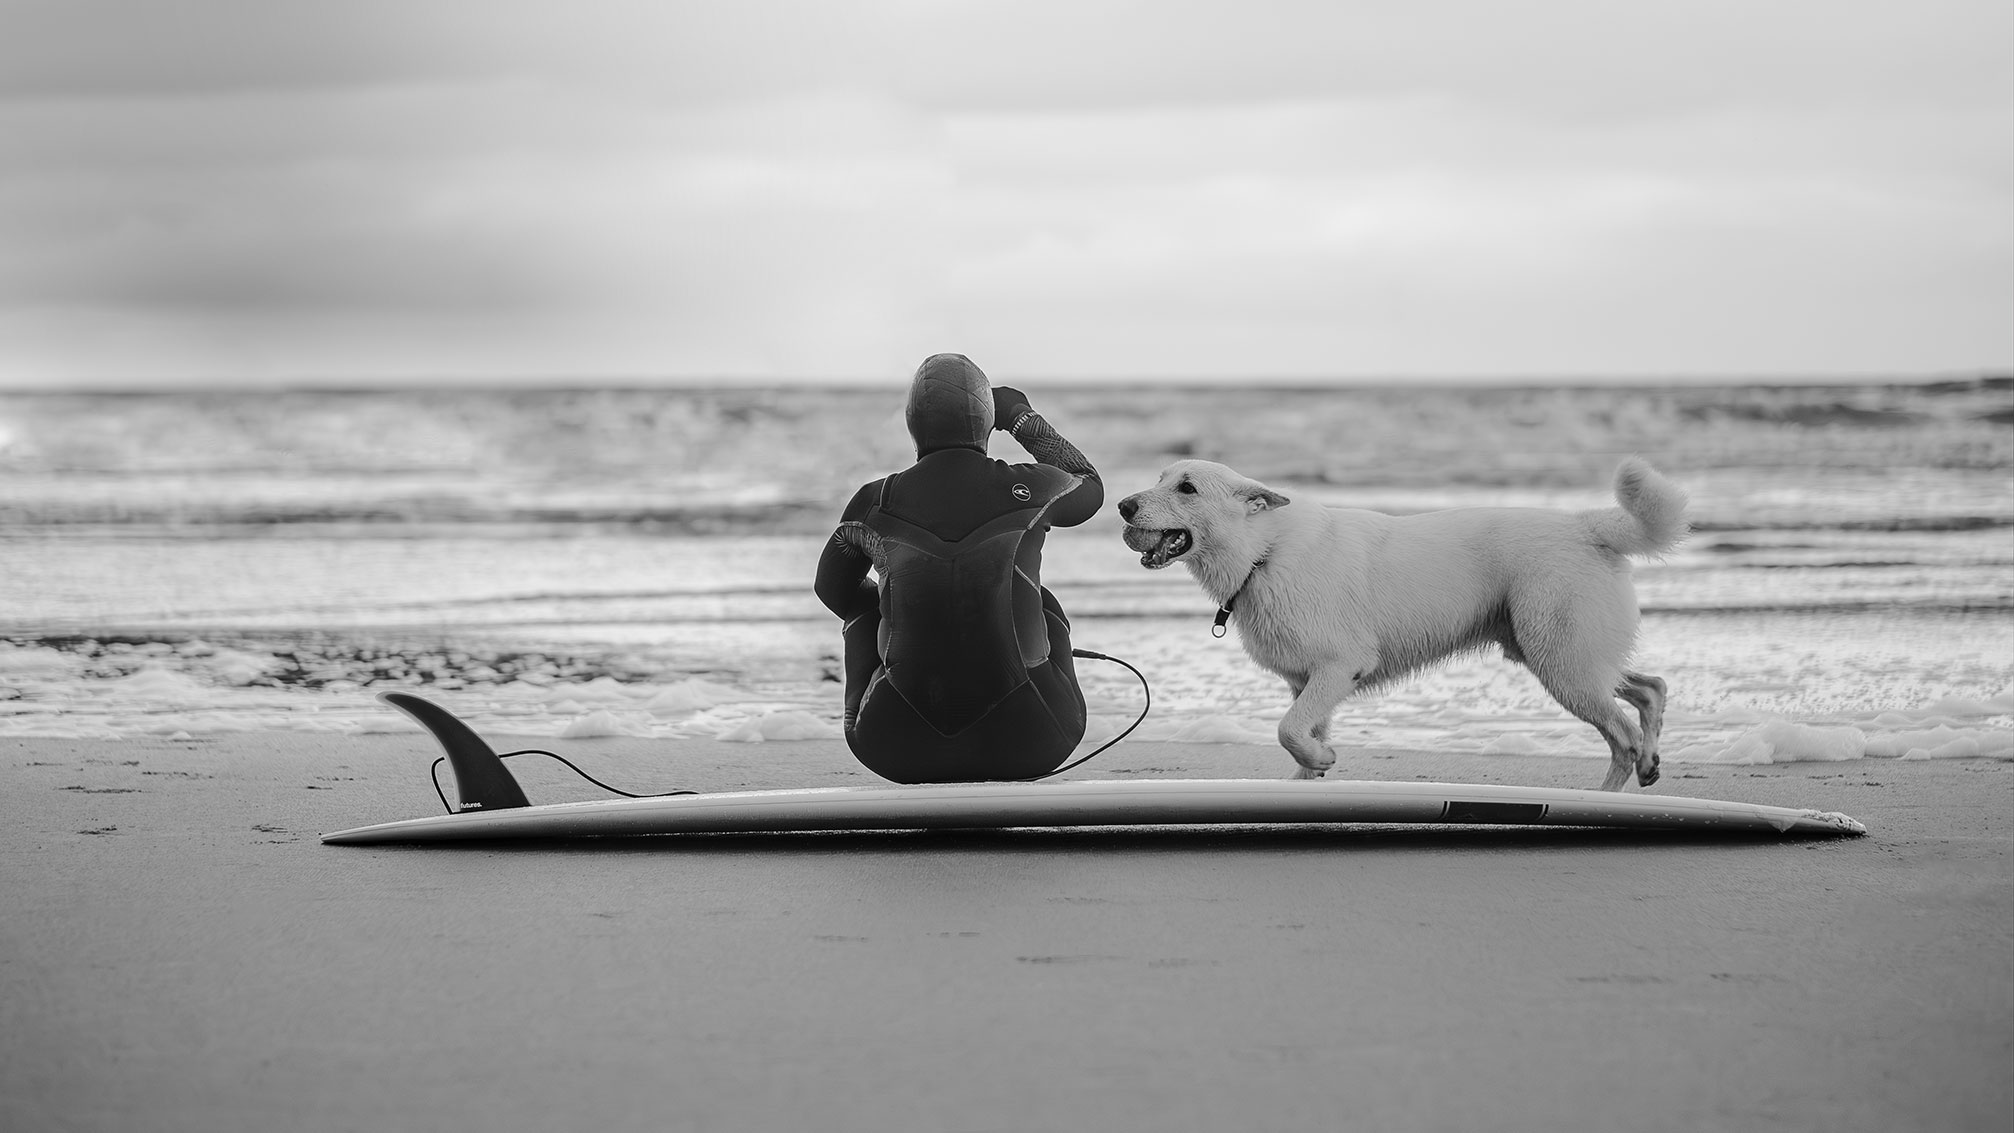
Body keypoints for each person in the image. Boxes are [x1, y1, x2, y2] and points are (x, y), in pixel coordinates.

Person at [814, 353, 1105, 783]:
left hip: (892, 746)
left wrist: (901, 604)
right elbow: (1089, 484)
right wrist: (1021, 417)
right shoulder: (1036, 486)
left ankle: (896, 693)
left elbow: (832, 591)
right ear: (985, 422)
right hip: (1036, 740)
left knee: (865, 603)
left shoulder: (875, 499)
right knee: (1035, 599)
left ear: (914, 425)